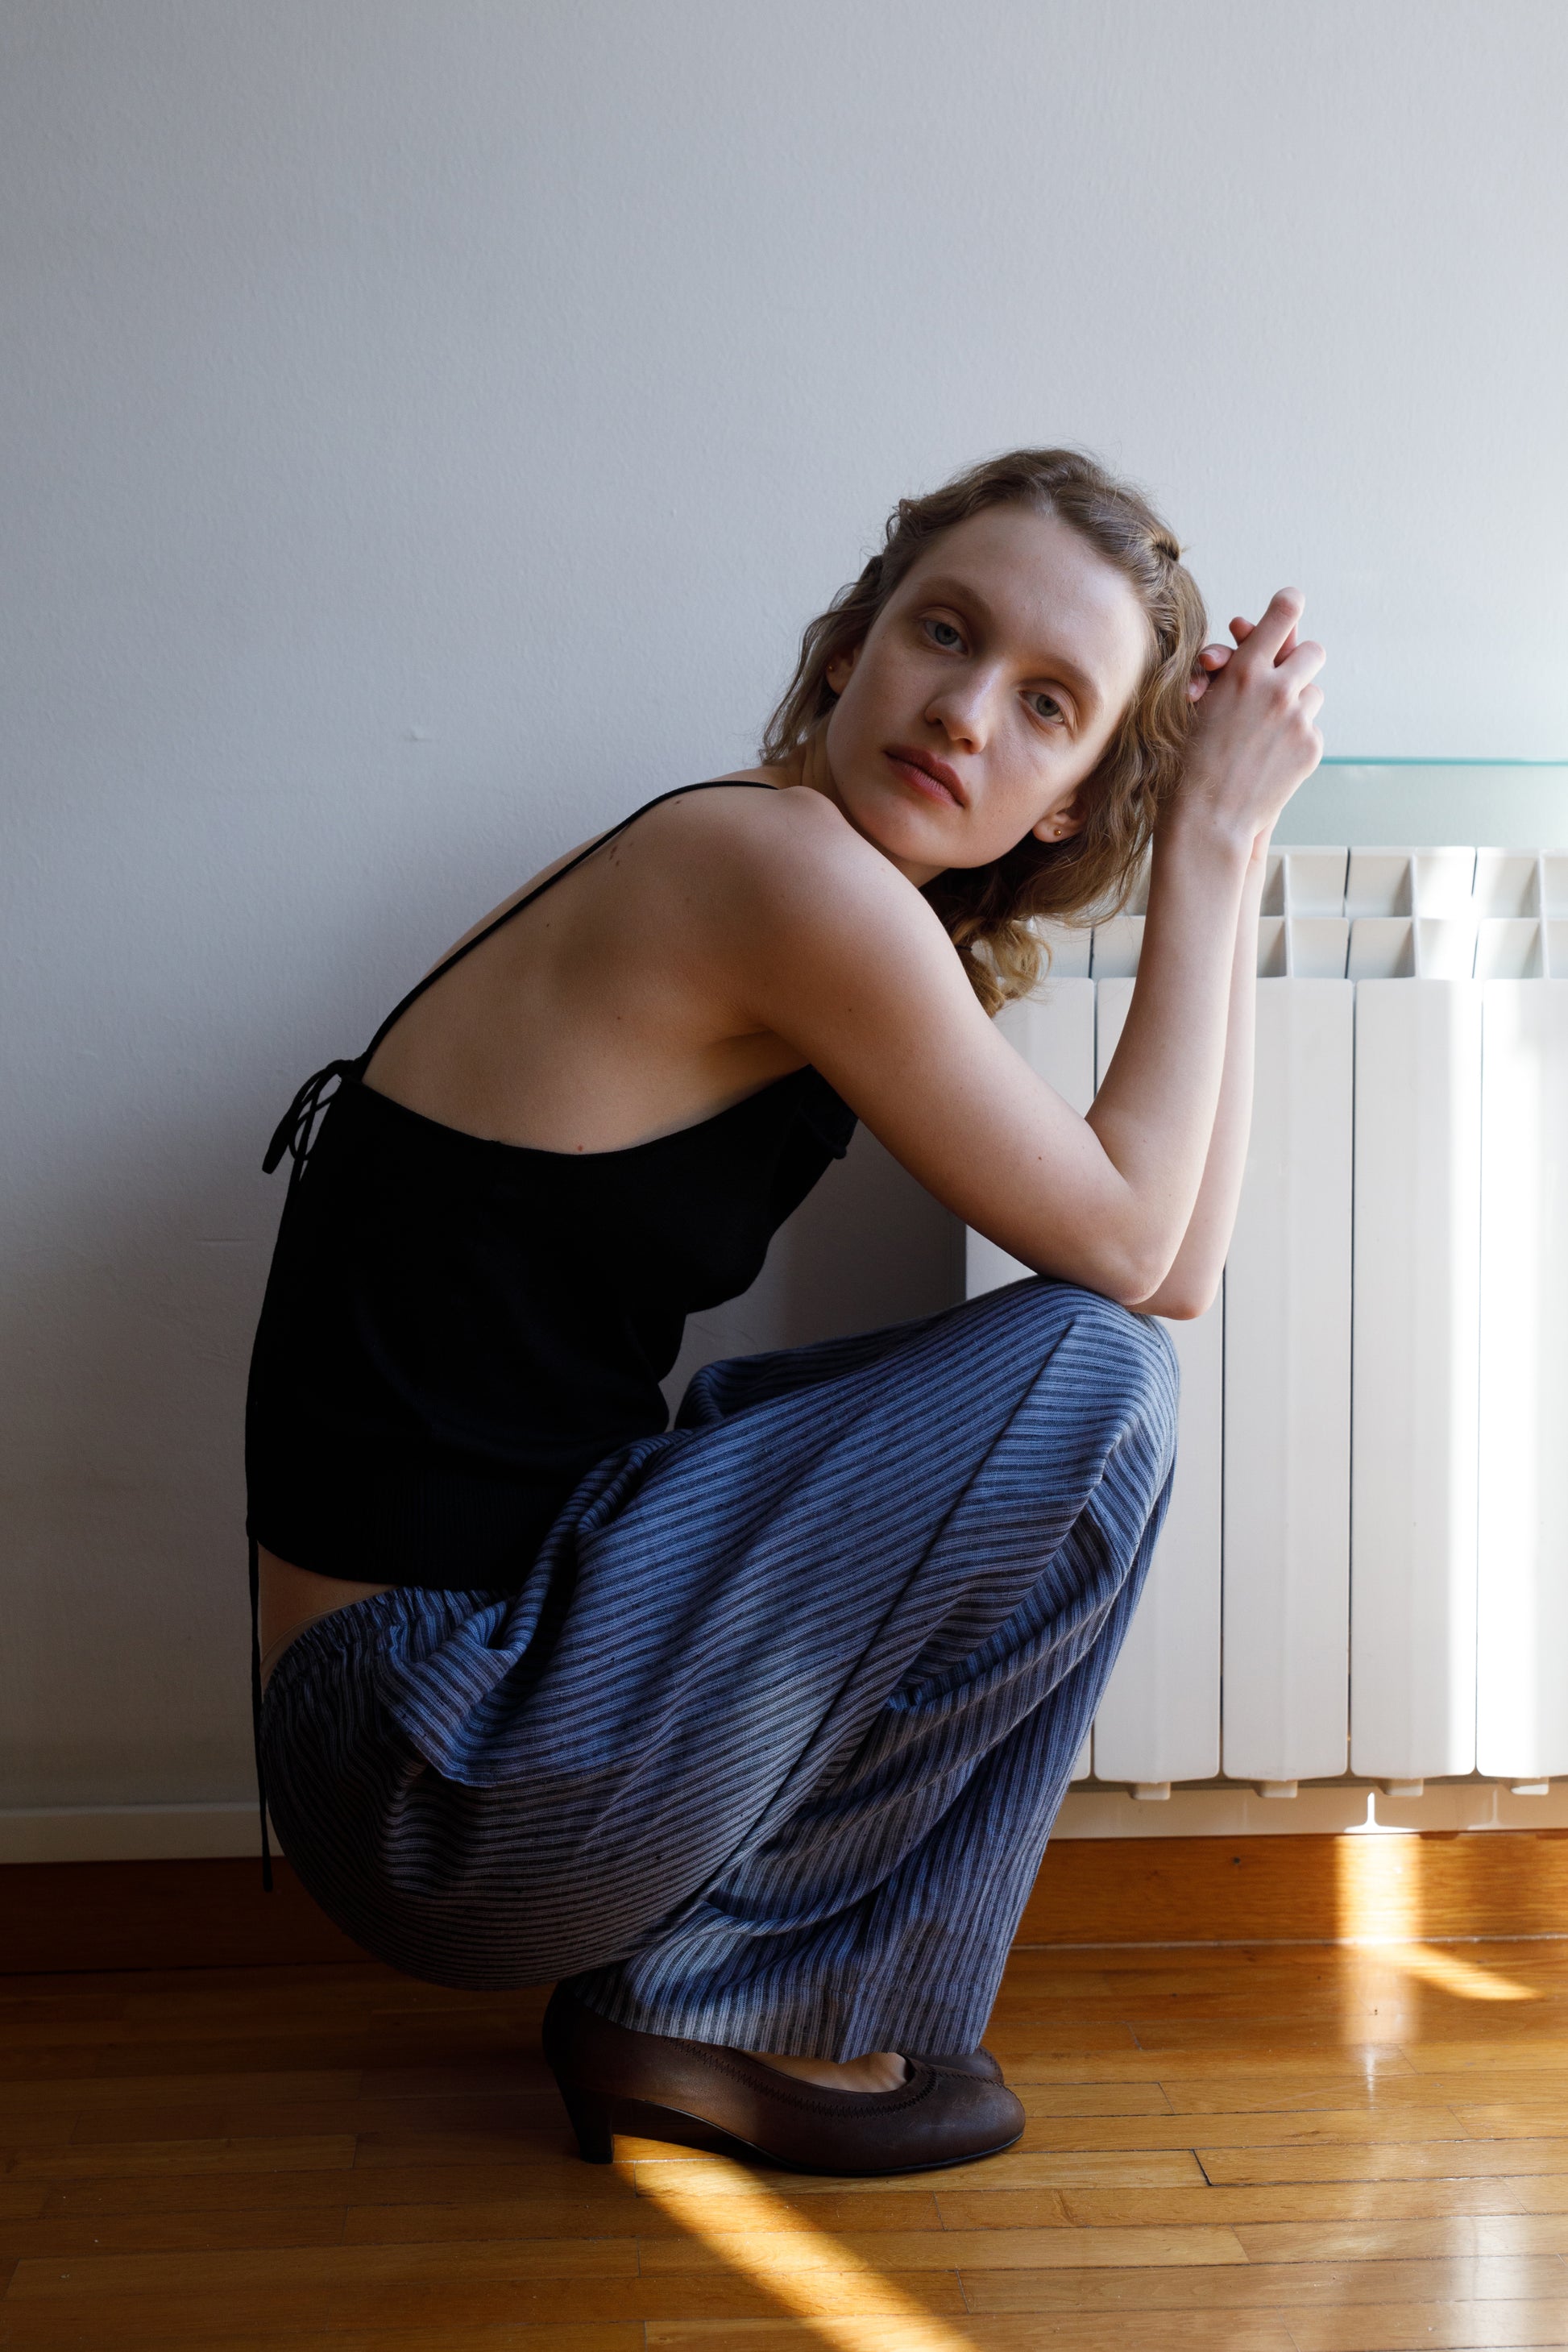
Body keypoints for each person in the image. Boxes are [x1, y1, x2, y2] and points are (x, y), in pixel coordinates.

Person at [245, 447, 1324, 2176]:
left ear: (1065, 800)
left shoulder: (812, 884)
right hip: (423, 1754)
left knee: (1079, 1383)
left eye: (1046, 704)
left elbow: (1174, 1261)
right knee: (1080, 1369)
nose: (965, 710)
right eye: (941, 634)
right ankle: (705, 2003)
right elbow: (1129, 1262)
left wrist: (1236, 837)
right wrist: (1207, 833)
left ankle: (724, 1994)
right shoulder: (777, 870)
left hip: (461, 1705)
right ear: (849, 651)